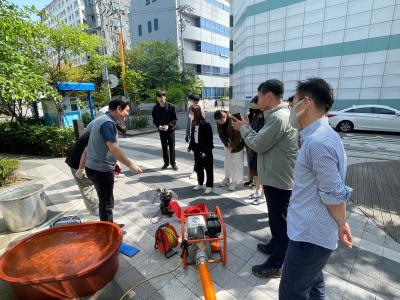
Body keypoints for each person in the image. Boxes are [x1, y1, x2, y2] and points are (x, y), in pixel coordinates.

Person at [279, 78, 353, 299]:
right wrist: (341, 222)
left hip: (309, 236)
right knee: (313, 284)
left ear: (306, 103)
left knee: (291, 292)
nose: (291, 110)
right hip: (311, 231)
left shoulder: (318, 142)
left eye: (293, 104)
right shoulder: (321, 136)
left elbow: (333, 194)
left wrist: (342, 223)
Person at [232, 79, 298, 278]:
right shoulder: (279, 114)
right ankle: (274, 246)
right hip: (275, 176)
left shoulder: (279, 117)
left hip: (279, 180)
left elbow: (258, 145)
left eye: (259, 95)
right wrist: (247, 127)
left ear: (269, 95)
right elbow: (263, 140)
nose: (257, 99)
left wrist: (243, 129)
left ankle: (277, 264)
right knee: (276, 218)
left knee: (280, 222)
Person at [85, 98, 143, 223]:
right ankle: (108, 233)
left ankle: (108, 225)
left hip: (94, 167)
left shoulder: (102, 119)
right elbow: (113, 147)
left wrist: (115, 162)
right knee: (107, 203)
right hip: (100, 170)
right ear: (118, 109)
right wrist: (130, 164)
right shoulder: (107, 123)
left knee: (105, 201)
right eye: (127, 111)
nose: (128, 114)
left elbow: (103, 146)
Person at [65, 126, 98, 215]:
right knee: (86, 186)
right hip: (77, 163)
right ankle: (94, 209)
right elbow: (86, 152)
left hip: (80, 161)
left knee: (91, 183)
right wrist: (81, 169)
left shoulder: (95, 128)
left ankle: (95, 206)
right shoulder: (96, 133)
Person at [214, 110, 245, 191]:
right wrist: (226, 144)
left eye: (220, 121)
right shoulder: (219, 120)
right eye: (218, 122)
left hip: (238, 145)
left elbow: (239, 134)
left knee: (237, 162)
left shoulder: (234, 119)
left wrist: (233, 146)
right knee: (227, 162)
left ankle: (235, 181)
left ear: (224, 117)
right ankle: (227, 178)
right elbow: (220, 134)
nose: (219, 123)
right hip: (227, 144)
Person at [187, 105, 214, 194]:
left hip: (206, 150)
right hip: (197, 149)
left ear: (196, 112)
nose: (190, 114)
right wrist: (190, 146)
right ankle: (200, 183)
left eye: (191, 112)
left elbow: (209, 139)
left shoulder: (205, 123)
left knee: (208, 168)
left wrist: (205, 151)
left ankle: (209, 186)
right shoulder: (194, 122)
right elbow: (193, 136)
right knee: (199, 167)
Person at [152, 90, 178, 170]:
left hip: (170, 131)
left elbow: (174, 119)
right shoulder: (155, 108)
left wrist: (168, 126)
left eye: (162, 97)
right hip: (161, 131)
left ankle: (173, 163)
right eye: (159, 97)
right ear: (157, 98)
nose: (161, 99)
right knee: (164, 148)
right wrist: (158, 126)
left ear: (165, 97)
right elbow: (154, 120)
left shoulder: (171, 107)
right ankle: (166, 163)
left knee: (172, 148)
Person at [246, 96, 265, 205]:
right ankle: (257, 190)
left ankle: (263, 195)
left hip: (262, 148)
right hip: (253, 148)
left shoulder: (267, 118)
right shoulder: (254, 116)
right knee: (255, 171)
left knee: (262, 172)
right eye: (251, 107)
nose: (253, 109)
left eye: (255, 107)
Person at [185, 94, 201, 179]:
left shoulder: (200, 112)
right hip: (193, 137)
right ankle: (197, 169)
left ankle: (196, 170)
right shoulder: (190, 111)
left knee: (197, 155)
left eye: (190, 100)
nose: (188, 102)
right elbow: (189, 124)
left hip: (198, 138)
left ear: (195, 102)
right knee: (196, 155)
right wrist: (187, 135)